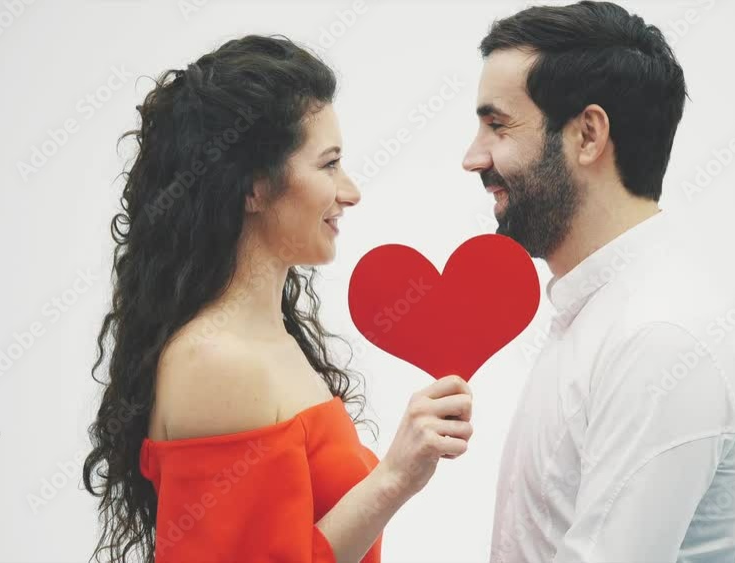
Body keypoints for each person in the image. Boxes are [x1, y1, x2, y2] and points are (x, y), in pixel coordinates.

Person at [82, 34, 474, 563]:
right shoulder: (215, 361)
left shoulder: (270, 342)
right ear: (254, 188)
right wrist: (395, 478)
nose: (350, 190)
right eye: (328, 164)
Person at [462, 2, 735, 561]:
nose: (472, 157)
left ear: (587, 135)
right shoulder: (603, 317)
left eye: (497, 125)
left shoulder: (659, 336)